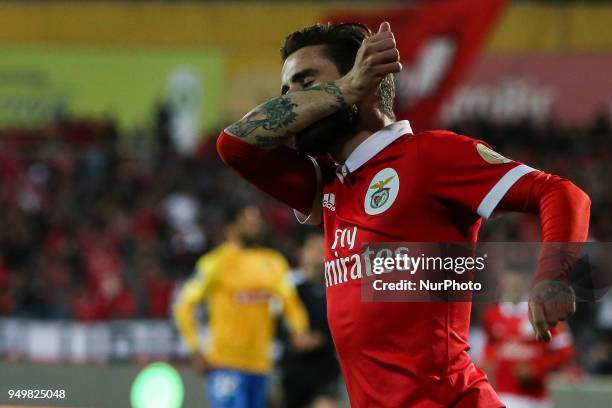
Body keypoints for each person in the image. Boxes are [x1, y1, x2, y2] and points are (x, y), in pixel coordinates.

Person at [216, 21, 590, 407]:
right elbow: (235, 145)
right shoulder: (327, 185)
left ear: (366, 81)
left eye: (306, 82)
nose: (294, 101)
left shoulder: (429, 157)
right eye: (287, 90)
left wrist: (553, 277)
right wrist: (340, 91)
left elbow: (562, 193)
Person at [173, 206, 314, 408]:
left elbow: (290, 303)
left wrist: (299, 330)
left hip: (260, 365)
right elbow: (185, 305)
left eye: (257, 222)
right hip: (225, 363)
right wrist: (195, 348)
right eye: (248, 221)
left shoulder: (273, 262)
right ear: (231, 228)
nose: (255, 226)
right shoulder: (216, 262)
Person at [481, 269, 575, 408]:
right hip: (503, 395)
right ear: (502, 283)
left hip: (536, 398)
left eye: (518, 283)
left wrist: (537, 369)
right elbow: (489, 347)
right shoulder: (492, 314)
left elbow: (565, 351)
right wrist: (487, 365)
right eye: (510, 283)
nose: (513, 287)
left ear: (527, 283)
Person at [281, 234, 341, 408]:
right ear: (301, 252)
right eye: (314, 249)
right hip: (293, 369)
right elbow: (274, 322)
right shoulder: (287, 286)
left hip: (325, 367)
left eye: (323, 249)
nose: (319, 255)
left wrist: (321, 338)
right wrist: (291, 337)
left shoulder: (336, 289)